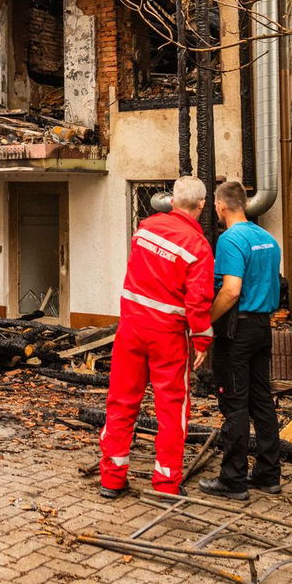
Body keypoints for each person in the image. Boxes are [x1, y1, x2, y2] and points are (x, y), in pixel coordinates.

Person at [98, 175, 215, 497]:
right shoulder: (198, 247)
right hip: (168, 336)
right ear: (202, 205)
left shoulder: (145, 229)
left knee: (121, 401)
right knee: (171, 408)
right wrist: (202, 340)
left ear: (172, 201)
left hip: (130, 329)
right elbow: (199, 300)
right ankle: (166, 484)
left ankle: (112, 479)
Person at [199, 179, 283, 501]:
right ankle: (268, 474)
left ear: (220, 206)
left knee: (234, 404)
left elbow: (231, 290)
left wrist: (206, 321)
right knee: (261, 400)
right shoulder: (267, 239)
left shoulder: (230, 239)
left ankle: (233, 479)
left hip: (237, 330)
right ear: (244, 204)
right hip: (263, 327)